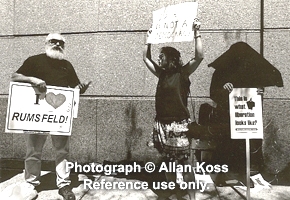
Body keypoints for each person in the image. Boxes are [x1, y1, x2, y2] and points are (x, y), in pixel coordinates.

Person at [11, 33, 91, 200]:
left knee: (62, 151)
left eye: (60, 42)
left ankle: (64, 185)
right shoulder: (33, 61)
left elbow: (74, 87)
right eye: (53, 41)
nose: (57, 44)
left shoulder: (66, 65)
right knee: (33, 150)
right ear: (46, 43)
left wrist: (80, 89)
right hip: (36, 114)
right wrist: (32, 79)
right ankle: (31, 183)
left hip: (58, 115)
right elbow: (15, 76)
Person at [143, 19, 204, 200]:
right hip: (162, 124)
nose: (159, 58)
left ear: (171, 58)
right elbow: (146, 58)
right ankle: (172, 192)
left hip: (178, 125)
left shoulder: (183, 73)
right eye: (159, 56)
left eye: (162, 56)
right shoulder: (161, 74)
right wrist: (148, 39)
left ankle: (191, 196)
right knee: (168, 162)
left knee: (185, 164)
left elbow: (199, 57)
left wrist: (197, 32)